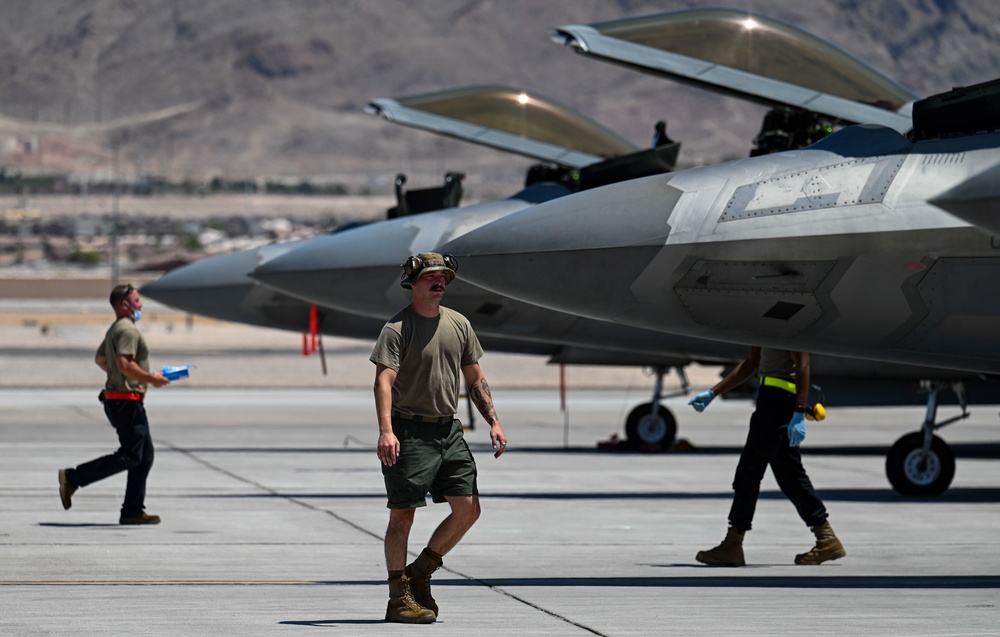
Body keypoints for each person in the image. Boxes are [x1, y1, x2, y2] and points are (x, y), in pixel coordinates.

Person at [370, 252, 508, 624]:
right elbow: (383, 381)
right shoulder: (397, 329)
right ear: (412, 284)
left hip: (448, 430)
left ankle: (420, 573)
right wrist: (386, 430)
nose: (439, 281)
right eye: (431, 276)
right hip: (409, 432)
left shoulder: (459, 324)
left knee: (468, 508)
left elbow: (475, 377)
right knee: (403, 515)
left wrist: (493, 421)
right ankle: (398, 598)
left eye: (443, 275)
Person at [687, 347, 845, 566]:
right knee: (790, 476)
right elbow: (752, 363)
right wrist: (713, 392)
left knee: (748, 473)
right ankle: (826, 538)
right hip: (768, 399)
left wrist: (799, 411)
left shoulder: (786, 319)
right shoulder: (762, 325)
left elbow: (802, 365)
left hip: (780, 404)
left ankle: (733, 544)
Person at [58, 283, 170, 525]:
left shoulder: (115, 329)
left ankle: (132, 510)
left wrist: (126, 378)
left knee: (144, 456)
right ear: (124, 305)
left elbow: (101, 359)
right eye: (137, 300)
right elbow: (124, 364)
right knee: (132, 455)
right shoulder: (127, 330)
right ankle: (74, 477)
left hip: (121, 400)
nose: (141, 305)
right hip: (125, 402)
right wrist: (152, 379)